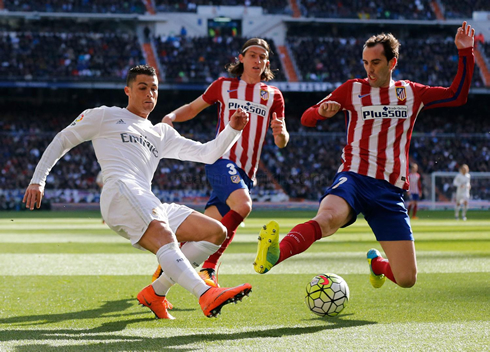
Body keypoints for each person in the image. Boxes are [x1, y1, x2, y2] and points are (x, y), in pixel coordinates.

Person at [253, 22, 475, 290]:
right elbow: (306, 117)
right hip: (354, 178)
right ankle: (276, 254)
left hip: (390, 192)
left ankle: (377, 264)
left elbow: (458, 96)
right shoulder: (352, 89)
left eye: (376, 62)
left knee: (406, 279)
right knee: (327, 220)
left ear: (393, 62)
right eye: (366, 62)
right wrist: (322, 112)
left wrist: (466, 52)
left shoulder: (411, 93)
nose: (369, 69)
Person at [22, 64, 252, 320]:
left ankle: (156, 292)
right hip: (120, 192)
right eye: (142, 88)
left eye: (154, 88)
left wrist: (233, 129)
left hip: (146, 198)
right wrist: (38, 180)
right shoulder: (104, 115)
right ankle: (204, 294)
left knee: (214, 231)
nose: (149, 94)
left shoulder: (160, 132)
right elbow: (63, 139)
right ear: (127, 91)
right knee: (165, 235)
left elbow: (207, 153)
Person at [152, 38, 289, 286]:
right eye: (252, 55)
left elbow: (281, 140)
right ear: (241, 59)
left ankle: (163, 275)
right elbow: (193, 108)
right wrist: (171, 116)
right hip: (220, 158)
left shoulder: (273, 96)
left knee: (208, 233)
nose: (257, 60)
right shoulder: (223, 86)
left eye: (262, 57)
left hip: (246, 172)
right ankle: (210, 268)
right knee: (243, 205)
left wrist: (281, 134)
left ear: (267, 63)